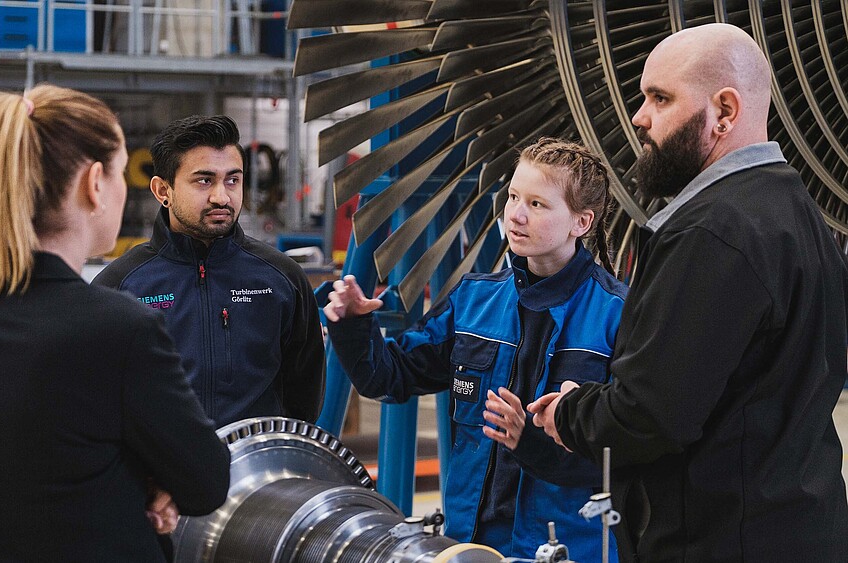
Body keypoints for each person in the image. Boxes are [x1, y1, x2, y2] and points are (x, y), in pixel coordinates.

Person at [528, 23, 848, 563]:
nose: (639, 117)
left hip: (720, 541)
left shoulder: (712, 232)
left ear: (724, 111)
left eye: (660, 98)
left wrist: (568, 413)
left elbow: (649, 414)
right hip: (795, 527)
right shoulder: (798, 214)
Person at [0, 85, 231, 562]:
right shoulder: (120, 329)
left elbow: (9, 463)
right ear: (94, 183)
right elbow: (205, 482)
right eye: (121, 174)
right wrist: (147, 482)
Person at [324, 138, 627, 560]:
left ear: (582, 222)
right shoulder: (473, 304)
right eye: (514, 197)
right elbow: (388, 376)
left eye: (537, 204)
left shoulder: (618, 317)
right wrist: (355, 325)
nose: (516, 215)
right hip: (472, 545)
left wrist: (530, 443)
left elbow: (628, 459)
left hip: (572, 548)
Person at [93, 115, 325, 428]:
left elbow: (304, 397)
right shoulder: (120, 287)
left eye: (233, 180)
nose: (222, 196)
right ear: (163, 190)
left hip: (255, 469)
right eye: (204, 180)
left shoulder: (282, 279)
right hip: (157, 473)